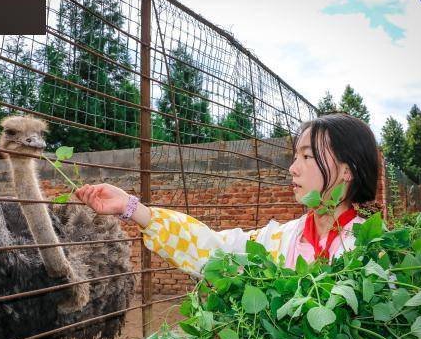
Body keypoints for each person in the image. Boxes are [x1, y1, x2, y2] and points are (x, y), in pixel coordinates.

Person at [75, 113, 379, 278]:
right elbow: (213, 248)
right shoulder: (280, 240)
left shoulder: (374, 252)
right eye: (294, 156)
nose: (293, 168)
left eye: (307, 156)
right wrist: (132, 208)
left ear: (347, 169)